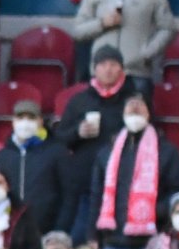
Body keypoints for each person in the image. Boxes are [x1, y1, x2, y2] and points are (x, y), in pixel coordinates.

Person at [87, 95, 179, 249]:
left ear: (149, 114)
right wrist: (92, 235)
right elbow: (96, 195)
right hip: (114, 241)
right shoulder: (108, 152)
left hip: (150, 241)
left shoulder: (166, 152)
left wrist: (153, 212)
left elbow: (178, 194)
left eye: (139, 109)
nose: (135, 113)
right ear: (123, 115)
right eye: (131, 109)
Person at [72, 0, 175, 97]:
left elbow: (168, 28)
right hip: (102, 75)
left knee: (137, 121)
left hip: (136, 74)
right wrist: (102, 23)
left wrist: (147, 52)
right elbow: (77, 31)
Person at [54, 45, 135, 237]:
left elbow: (148, 136)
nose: (108, 69)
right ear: (94, 69)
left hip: (121, 183)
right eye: (103, 64)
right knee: (81, 239)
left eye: (113, 64)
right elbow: (61, 138)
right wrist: (78, 132)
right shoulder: (79, 101)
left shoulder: (133, 100)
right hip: (85, 183)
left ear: (121, 69)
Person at [0, 101, 73, 236]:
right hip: (9, 233)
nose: (25, 122)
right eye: (20, 117)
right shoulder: (0, 157)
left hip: (47, 232)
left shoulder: (57, 152)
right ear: (13, 121)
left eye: (31, 118)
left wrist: (60, 230)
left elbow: (69, 195)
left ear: (40, 121)